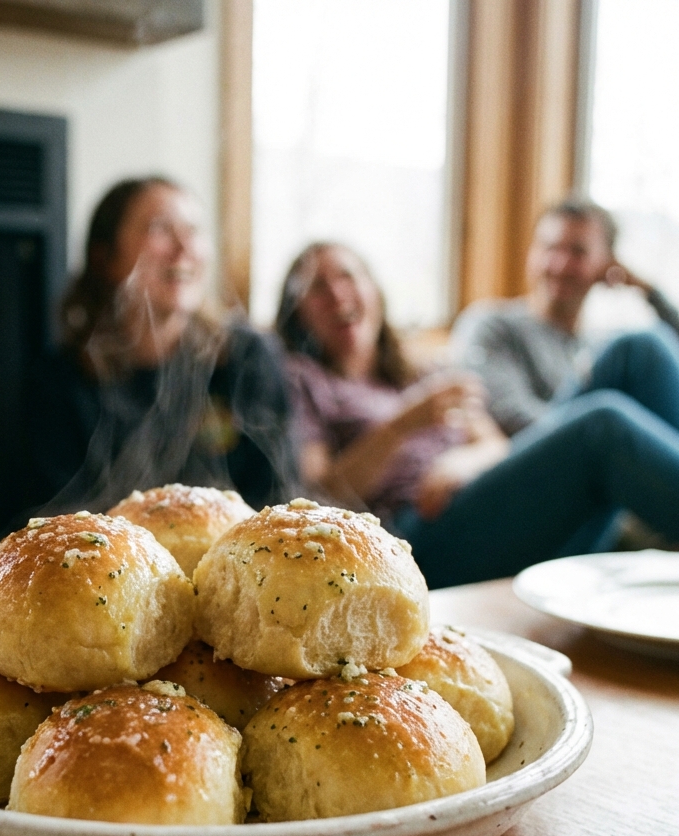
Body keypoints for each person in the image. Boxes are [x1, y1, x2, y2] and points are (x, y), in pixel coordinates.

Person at [282, 242, 679, 588]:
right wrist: (403, 425)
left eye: (348, 276)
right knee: (602, 427)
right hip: (415, 537)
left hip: (478, 498)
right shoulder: (303, 379)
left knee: (635, 351)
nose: (337, 294)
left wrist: (463, 461)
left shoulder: (418, 371)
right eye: (318, 287)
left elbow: (494, 444)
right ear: (298, 312)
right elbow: (320, 492)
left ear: (375, 291)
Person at [28, 177, 295, 513]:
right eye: (160, 229)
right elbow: (54, 513)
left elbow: (278, 493)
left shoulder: (247, 356)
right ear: (105, 256)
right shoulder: (61, 380)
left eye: (193, 230)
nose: (184, 248)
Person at [452, 197, 679, 436]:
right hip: (535, 452)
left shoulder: (597, 344)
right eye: (549, 248)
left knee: (649, 344)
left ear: (608, 265)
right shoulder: (493, 325)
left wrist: (648, 291)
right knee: (639, 348)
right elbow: (512, 420)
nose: (559, 265)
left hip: (592, 452)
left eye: (578, 253)